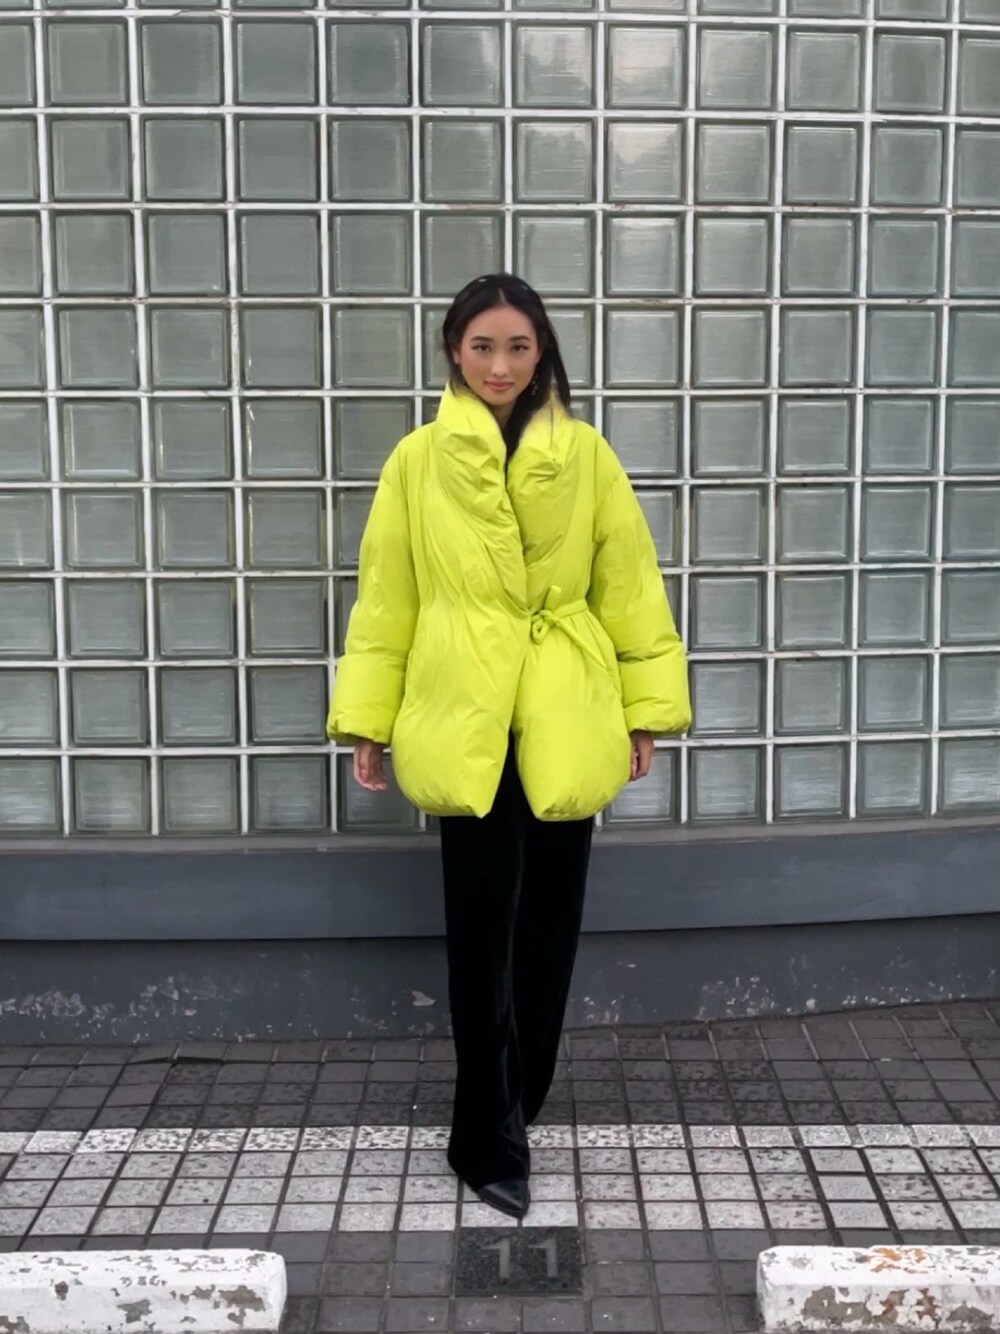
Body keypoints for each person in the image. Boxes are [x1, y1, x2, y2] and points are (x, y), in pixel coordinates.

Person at [326, 273, 691, 1221]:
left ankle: (518, 1101)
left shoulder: (586, 454)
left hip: (567, 707)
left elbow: (629, 583)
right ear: (454, 351)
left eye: (518, 346)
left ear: (542, 353)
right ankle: (485, 1133)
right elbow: (387, 596)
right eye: (482, 346)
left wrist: (644, 710)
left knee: (551, 930)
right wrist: (368, 718)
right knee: (480, 932)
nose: (499, 365)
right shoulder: (417, 461)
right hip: (466, 709)